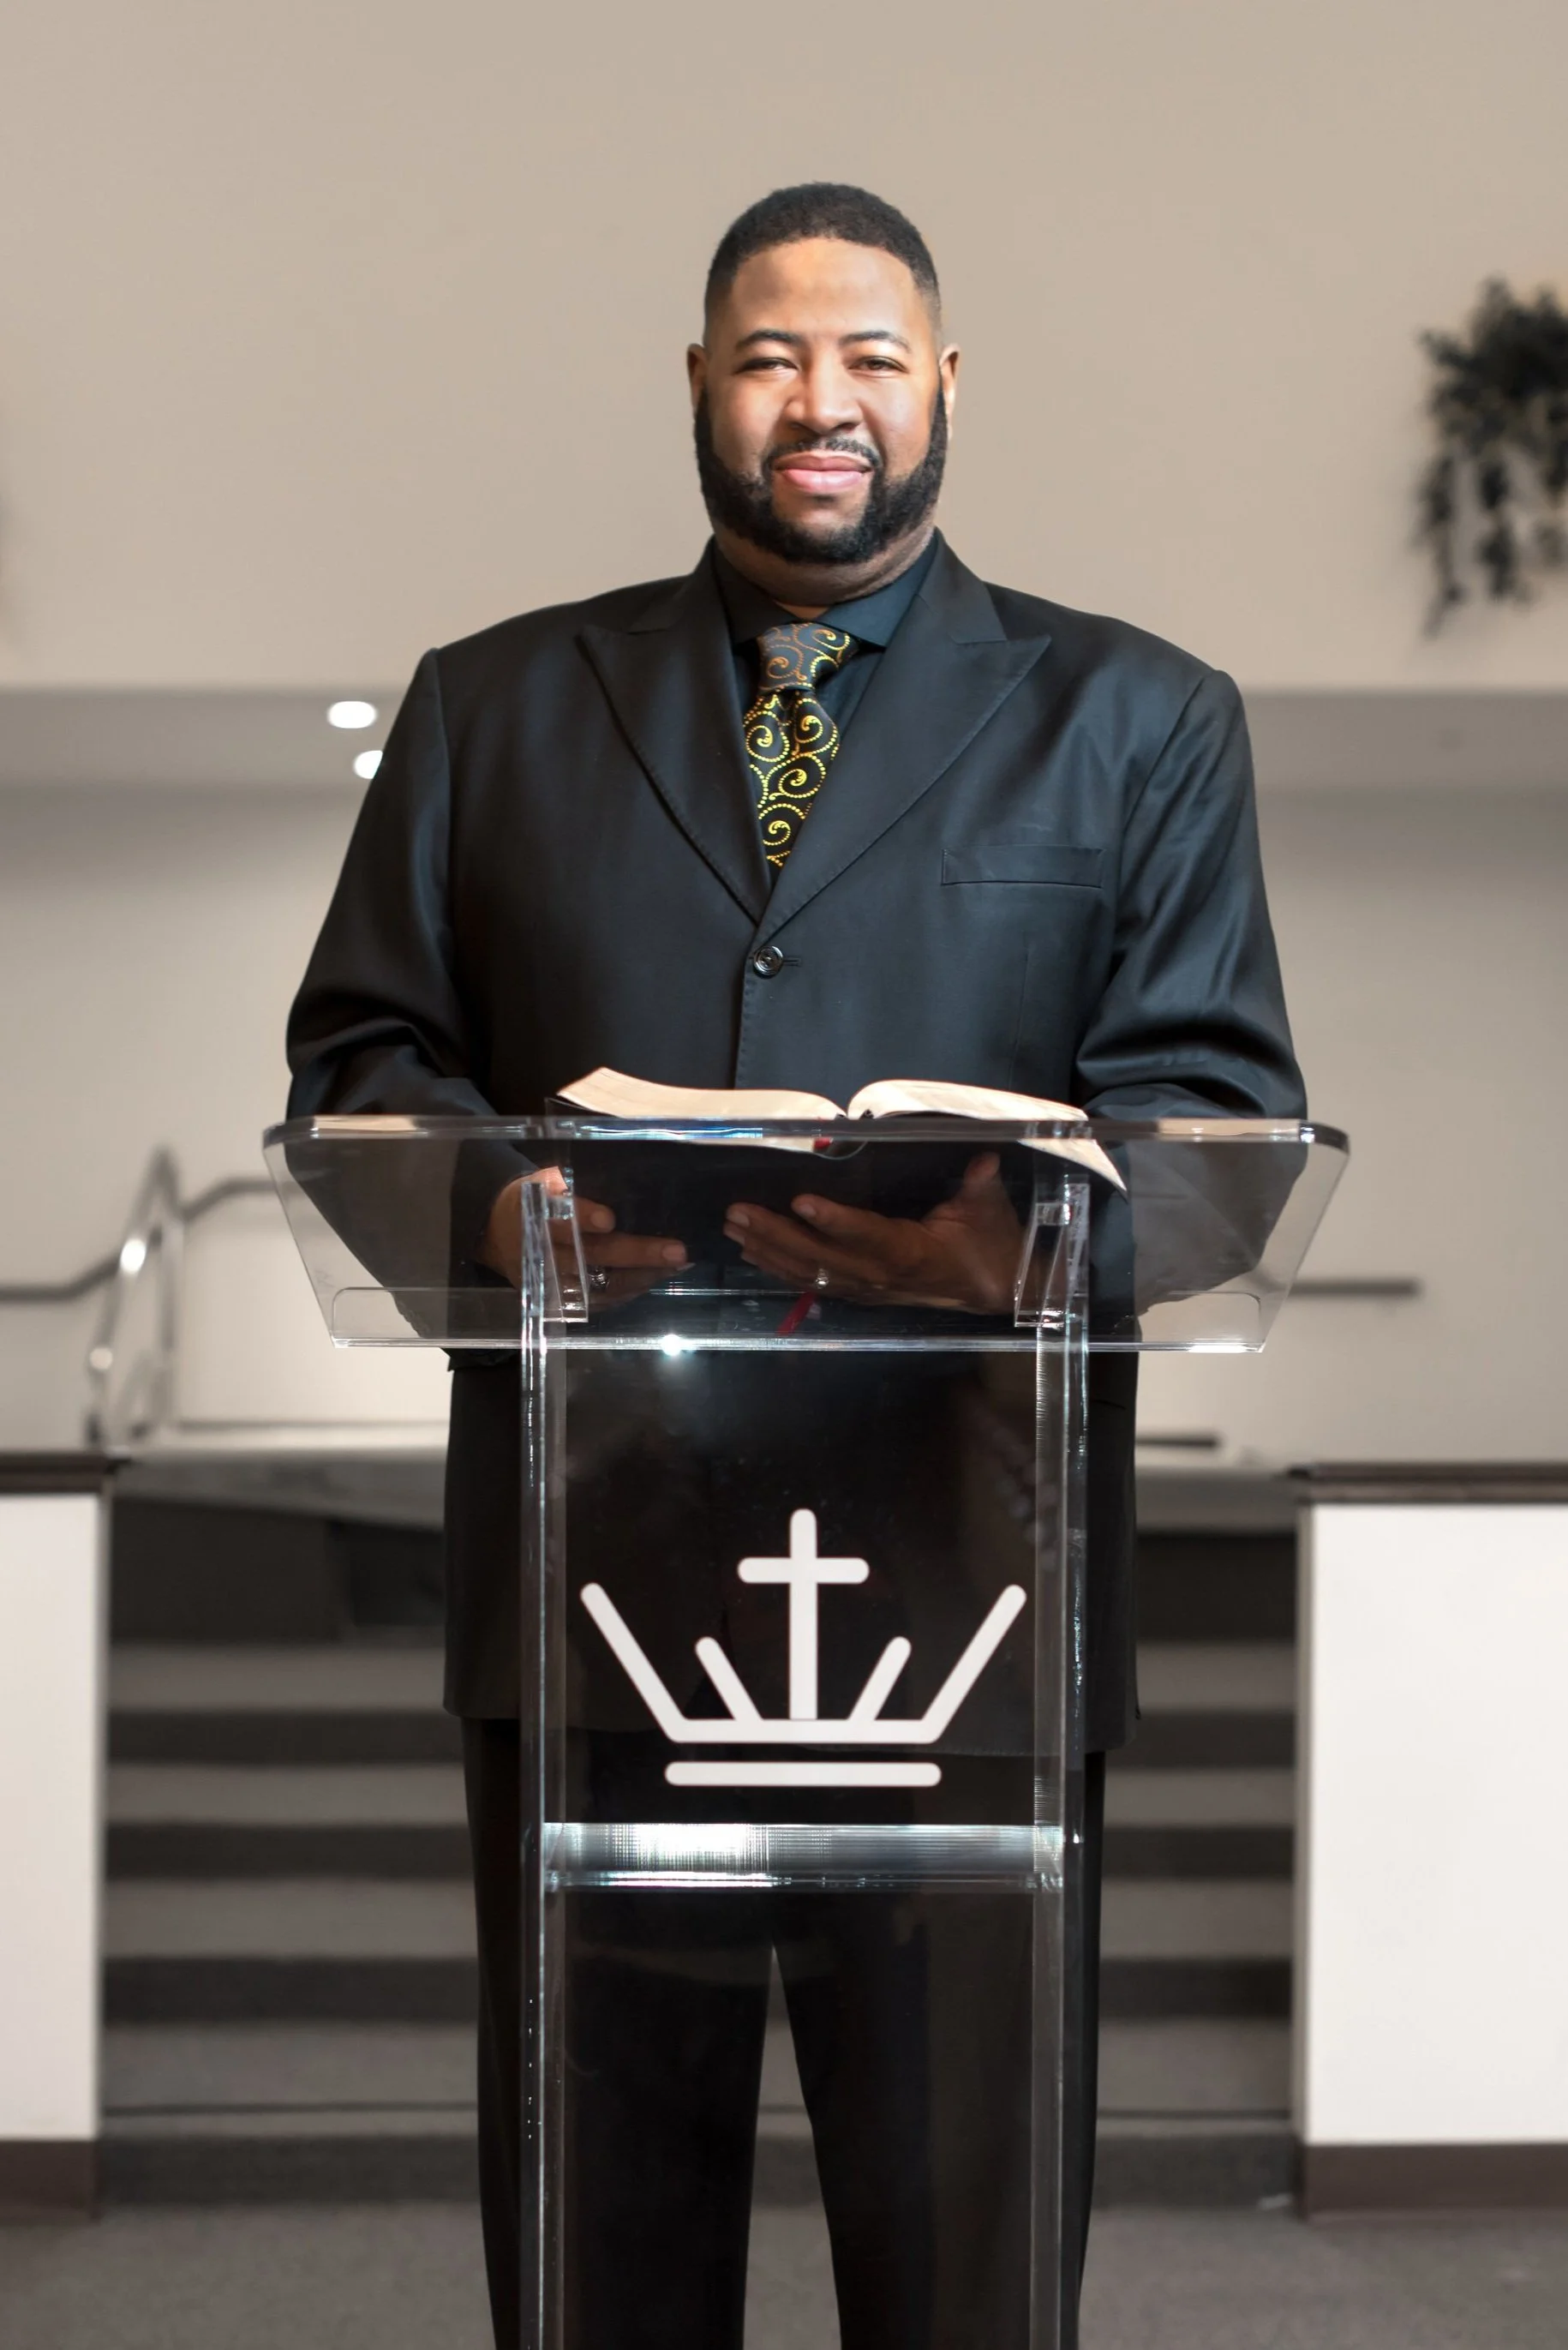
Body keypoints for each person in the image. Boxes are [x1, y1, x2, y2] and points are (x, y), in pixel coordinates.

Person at [286, 182, 1303, 2348]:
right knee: (599, 2246)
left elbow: (1214, 1115)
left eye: (866, 357)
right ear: (700, 389)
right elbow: (366, 1060)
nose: (818, 402)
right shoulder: (492, 708)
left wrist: (1021, 1234)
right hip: (595, 1576)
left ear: (945, 385)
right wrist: (492, 1204)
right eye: (770, 358)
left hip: (973, 1586)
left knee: (963, 2251)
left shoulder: (1140, 720)